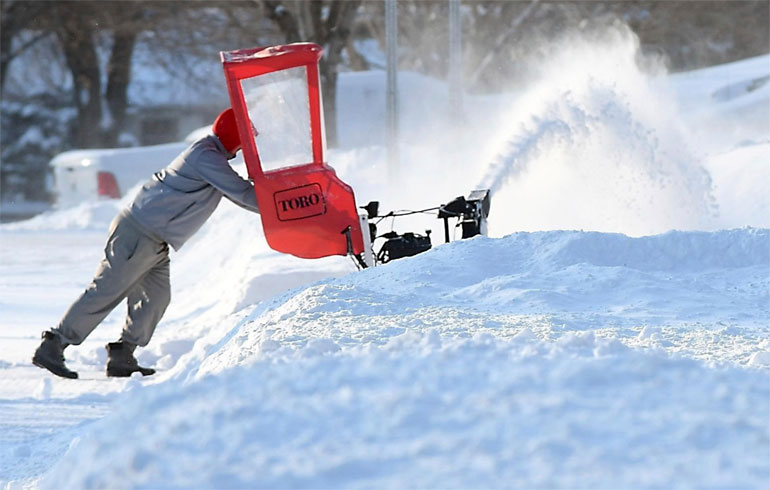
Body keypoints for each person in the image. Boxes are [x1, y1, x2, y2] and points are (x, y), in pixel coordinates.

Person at [32, 108, 259, 379]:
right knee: (106, 291)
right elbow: (244, 193)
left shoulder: (210, 154)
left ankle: (122, 354)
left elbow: (241, 191)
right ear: (236, 136)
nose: (248, 144)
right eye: (246, 137)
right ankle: (53, 344)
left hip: (154, 238)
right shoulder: (206, 157)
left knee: (156, 298)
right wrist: (283, 205)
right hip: (140, 232)